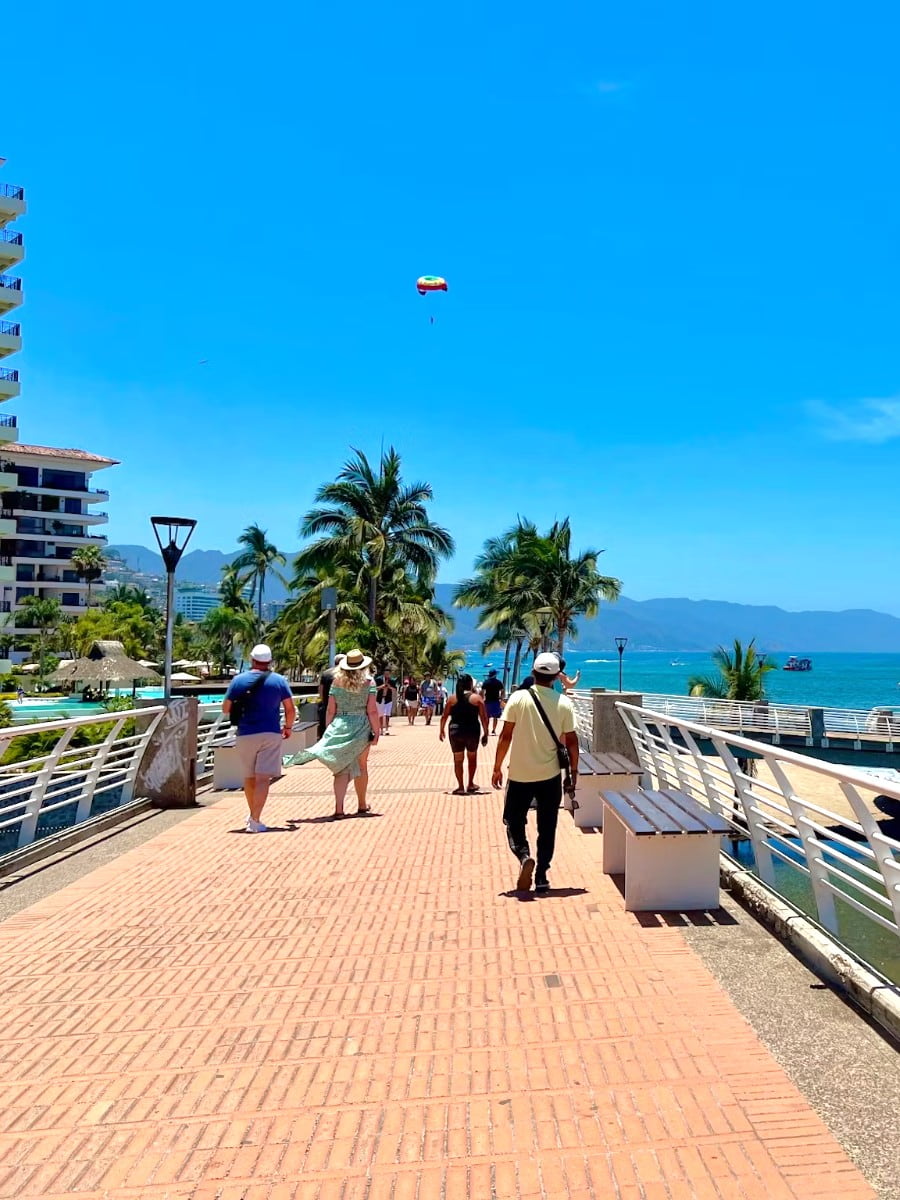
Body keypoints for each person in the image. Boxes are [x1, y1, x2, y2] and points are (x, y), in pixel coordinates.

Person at [491, 651, 579, 893]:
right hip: (550, 776)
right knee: (547, 825)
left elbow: (506, 735)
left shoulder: (518, 698)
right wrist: (574, 771)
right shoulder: (564, 703)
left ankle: (523, 855)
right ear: (556, 677)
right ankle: (541, 875)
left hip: (519, 775)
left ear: (533, 672)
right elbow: (572, 742)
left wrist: (497, 767)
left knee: (513, 819)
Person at [289, 648, 380, 818]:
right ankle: (361, 804)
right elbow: (372, 710)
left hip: (340, 723)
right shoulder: (369, 682)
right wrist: (377, 730)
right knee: (362, 766)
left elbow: (330, 709)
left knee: (341, 769)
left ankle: (339, 809)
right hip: (361, 724)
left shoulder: (336, 682)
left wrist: (328, 730)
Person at [223, 644, 296, 833]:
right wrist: (288, 727)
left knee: (249, 777)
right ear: (269, 661)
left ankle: (253, 816)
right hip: (271, 732)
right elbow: (290, 708)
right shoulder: (279, 681)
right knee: (263, 778)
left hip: (245, 733)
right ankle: (255, 818)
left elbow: (225, 708)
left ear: (252, 659)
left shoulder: (238, 680)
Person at [439, 673, 489, 793]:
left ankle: (460, 786)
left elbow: (444, 716)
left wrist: (441, 730)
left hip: (455, 731)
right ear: (470, 684)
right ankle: (470, 783)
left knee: (458, 760)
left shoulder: (452, 698)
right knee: (472, 758)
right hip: (472, 731)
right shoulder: (477, 699)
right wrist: (486, 733)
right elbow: (484, 717)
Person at [317, 656, 342, 739]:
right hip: (342, 708)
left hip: (326, 706)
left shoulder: (326, 673)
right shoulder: (345, 674)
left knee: (325, 732)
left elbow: (320, 691)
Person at [481, 669, 505, 734]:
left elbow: (482, 692)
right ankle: (494, 730)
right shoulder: (498, 682)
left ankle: (486, 730)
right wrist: (501, 699)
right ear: (495, 675)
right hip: (496, 701)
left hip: (488, 701)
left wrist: (482, 699)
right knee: (495, 717)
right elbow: (502, 691)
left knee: (487, 717)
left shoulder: (486, 682)